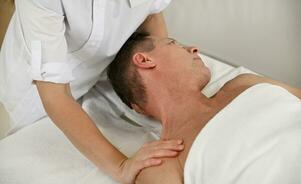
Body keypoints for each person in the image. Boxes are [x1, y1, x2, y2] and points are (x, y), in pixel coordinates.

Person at [0, 0, 185, 183]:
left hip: (101, 81)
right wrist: (121, 167)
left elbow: (150, 15)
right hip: (31, 102)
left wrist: (171, 101)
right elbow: (55, 95)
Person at [107, 32, 301, 183]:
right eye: (174, 44)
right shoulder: (162, 165)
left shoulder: (243, 83)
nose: (193, 49)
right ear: (144, 60)